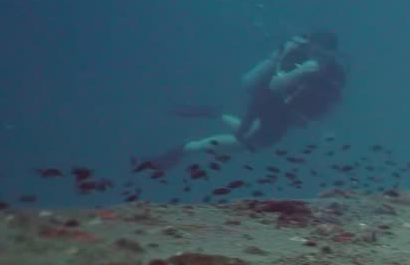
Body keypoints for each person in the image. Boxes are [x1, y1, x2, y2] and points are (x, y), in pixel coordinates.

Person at [138, 31, 347, 172]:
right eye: (317, 53)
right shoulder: (294, 57)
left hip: (288, 113)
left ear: (333, 55)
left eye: (326, 56)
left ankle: (214, 113)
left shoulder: (336, 73)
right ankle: (183, 150)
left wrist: (325, 130)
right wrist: (300, 71)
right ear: (310, 48)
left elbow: (331, 104)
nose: (320, 59)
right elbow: (275, 85)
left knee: (250, 137)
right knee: (248, 144)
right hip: (267, 103)